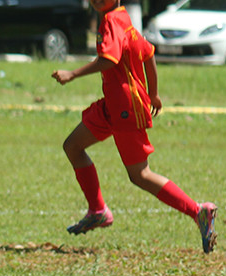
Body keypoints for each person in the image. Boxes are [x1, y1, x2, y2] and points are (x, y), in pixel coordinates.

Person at [52, 0, 217, 253]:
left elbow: (109, 59)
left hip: (125, 109)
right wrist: (154, 93)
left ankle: (199, 212)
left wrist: (72, 74)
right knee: (73, 146)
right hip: (113, 105)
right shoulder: (120, 16)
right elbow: (148, 53)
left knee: (140, 175)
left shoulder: (111, 20)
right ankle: (97, 211)